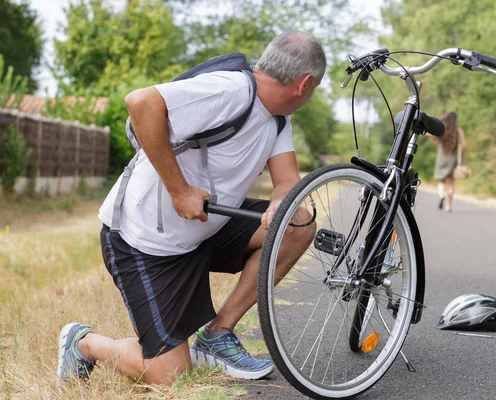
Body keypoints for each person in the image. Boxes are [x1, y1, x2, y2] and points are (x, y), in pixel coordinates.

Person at [56, 31, 325, 386]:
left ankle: (217, 335)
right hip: (145, 243)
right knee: (172, 375)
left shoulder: (277, 118)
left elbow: (287, 180)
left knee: (297, 223)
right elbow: (141, 102)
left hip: (204, 231)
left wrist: (279, 202)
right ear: (305, 84)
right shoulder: (230, 91)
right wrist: (179, 189)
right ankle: (83, 342)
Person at [432, 111, 467, 212]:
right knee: (451, 183)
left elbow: (432, 135)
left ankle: (442, 195)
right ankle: (448, 206)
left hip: (442, 157)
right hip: (453, 158)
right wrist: (462, 154)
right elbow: (464, 145)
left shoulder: (443, 129)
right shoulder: (458, 130)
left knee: (441, 181)